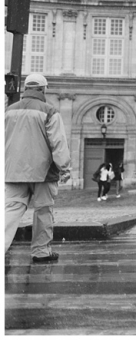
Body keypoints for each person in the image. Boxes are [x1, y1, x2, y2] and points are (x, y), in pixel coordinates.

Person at [5, 73, 72, 262]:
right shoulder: (49, 111)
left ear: (26, 89)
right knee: (43, 211)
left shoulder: (8, 111)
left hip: (13, 171)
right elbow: (58, 143)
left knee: (10, 211)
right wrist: (65, 168)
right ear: (43, 89)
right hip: (42, 172)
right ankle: (41, 252)